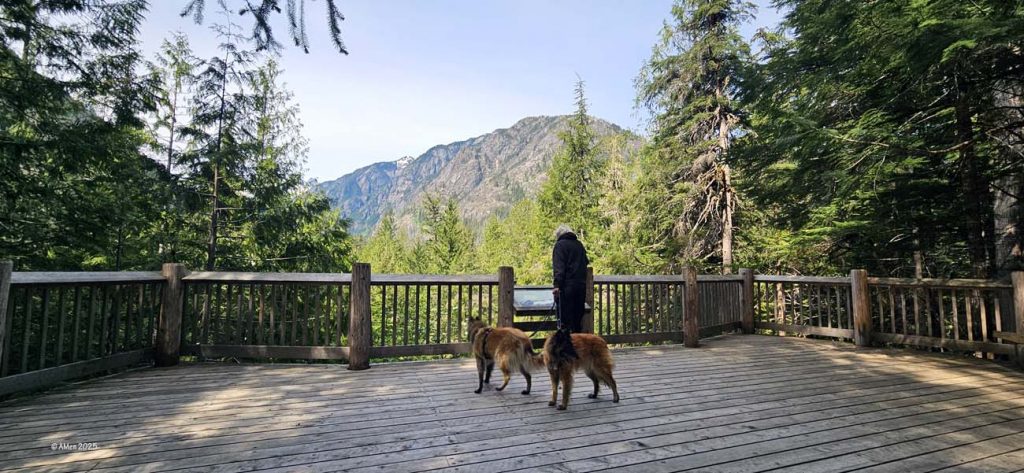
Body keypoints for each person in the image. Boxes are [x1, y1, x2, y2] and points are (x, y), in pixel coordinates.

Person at [551, 224, 589, 333]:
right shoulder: (579, 245)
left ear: (558, 236)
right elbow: (586, 262)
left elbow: (559, 268)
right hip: (581, 287)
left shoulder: (559, 246)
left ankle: (567, 343)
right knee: (577, 322)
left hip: (566, 289)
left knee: (565, 323)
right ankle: (578, 342)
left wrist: (557, 286)